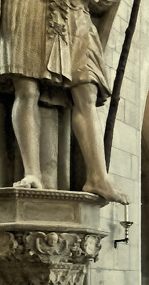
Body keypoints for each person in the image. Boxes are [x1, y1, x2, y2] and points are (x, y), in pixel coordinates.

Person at [0, 0, 128, 204]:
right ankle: (32, 172)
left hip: (73, 9)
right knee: (26, 87)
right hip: (26, 6)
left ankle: (98, 176)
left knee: (87, 89)